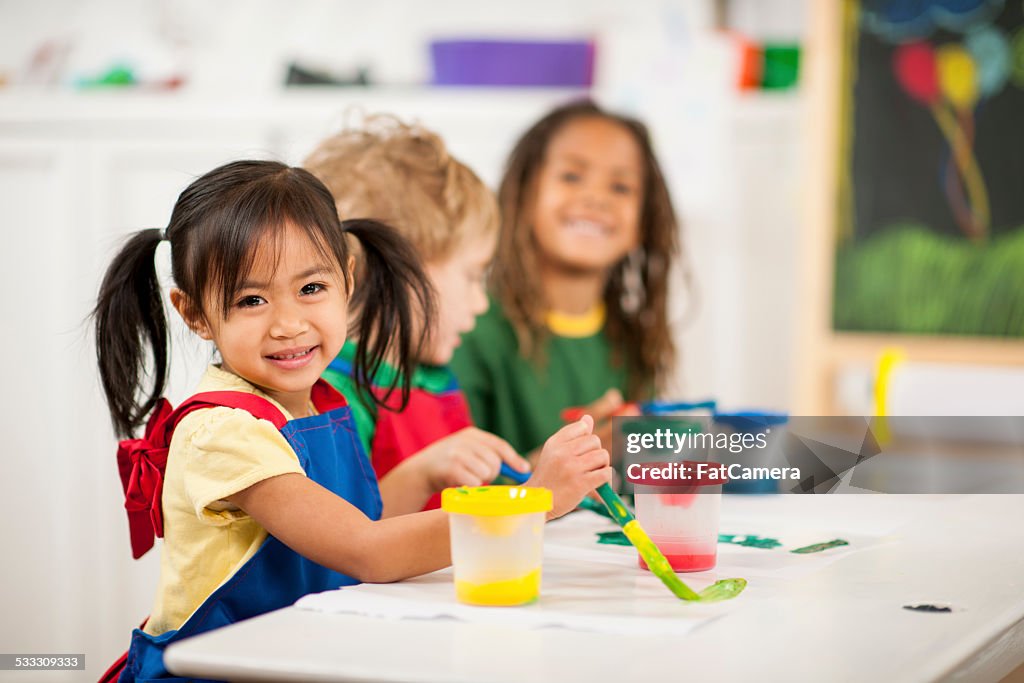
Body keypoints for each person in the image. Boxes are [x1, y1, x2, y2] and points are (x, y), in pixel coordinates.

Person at [94, 160, 611, 680]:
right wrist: (534, 504)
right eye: (251, 300)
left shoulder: (319, 400)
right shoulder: (225, 431)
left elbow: (353, 525)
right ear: (195, 313)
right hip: (216, 671)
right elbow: (366, 550)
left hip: (300, 656)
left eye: (311, 289)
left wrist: (425, 471)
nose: (289, 324)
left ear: (346, 279)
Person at [305, 115, 527, 513]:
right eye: (473, 276)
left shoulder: (433, 380)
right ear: (400, 269)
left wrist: (547, 478)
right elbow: (341, 540)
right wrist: (422, 475)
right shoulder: (329, 396)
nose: (482, 302)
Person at [450, 100, 684, 458]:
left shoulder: (634, 339)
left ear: (644, 221)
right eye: (571, 177)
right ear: (523, 196)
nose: (596, 198)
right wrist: (569, 461)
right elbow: (450, 497)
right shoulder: (469, 331)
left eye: (620, 187)